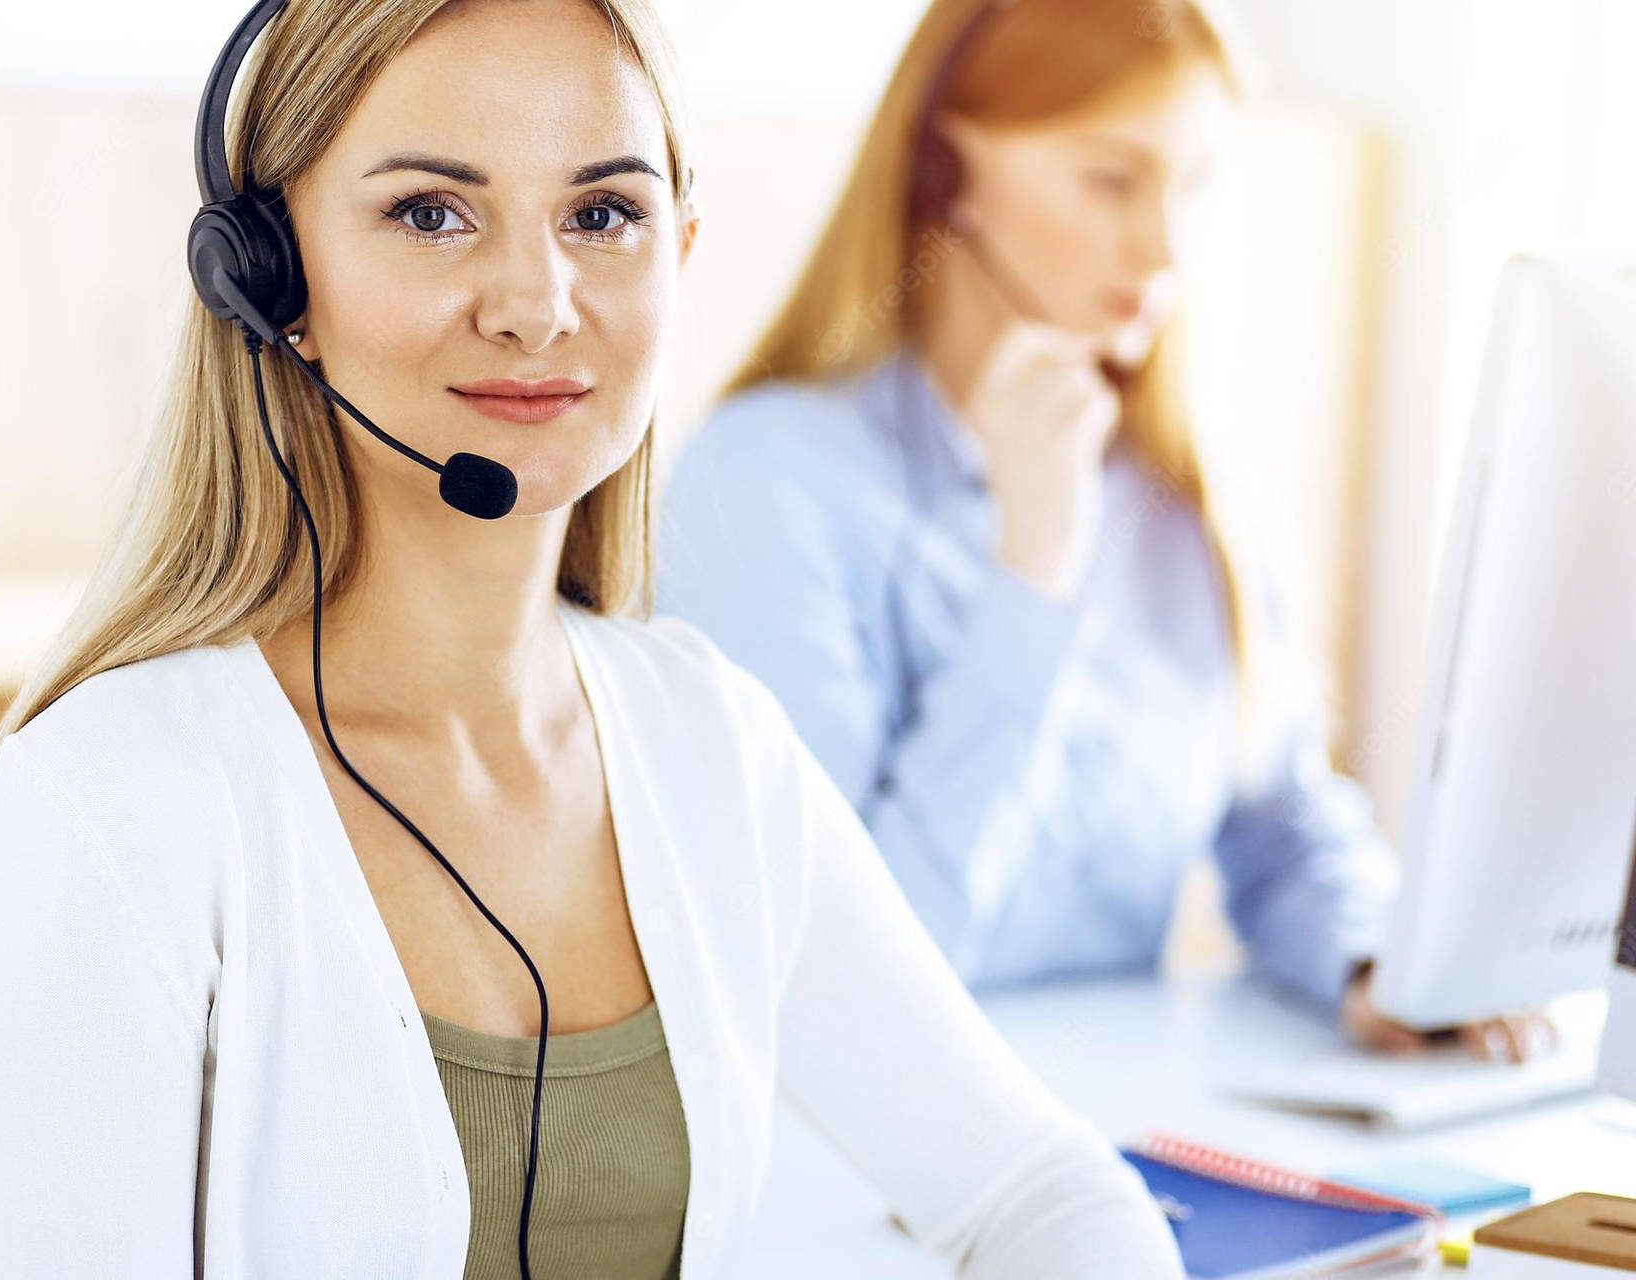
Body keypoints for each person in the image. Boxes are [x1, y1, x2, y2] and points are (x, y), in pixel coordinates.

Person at [0, 0, 1189, 1277]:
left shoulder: (709, 744)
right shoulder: (111, 796)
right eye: (430, 212)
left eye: (602, 214)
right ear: (270, 278)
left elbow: (1039, 1186)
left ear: (679, 253)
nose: (538, 303)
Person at [654, 0, 1552, 1062]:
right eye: (1112, 180)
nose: (1166, 246)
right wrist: (1032, 580)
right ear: (947, 170)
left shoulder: (1190, 499)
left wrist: (1381, 964)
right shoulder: (764, 483)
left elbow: (1282, 829)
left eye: (1193, 185)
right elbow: (847, 968)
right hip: (871, 1154)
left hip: (1134, 1125)